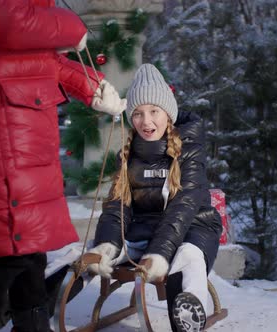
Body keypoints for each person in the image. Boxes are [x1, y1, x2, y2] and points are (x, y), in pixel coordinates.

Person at [0, 1, 125, 331]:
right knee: (9, 250)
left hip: (19, 119)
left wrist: (90, 84)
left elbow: (40, 59)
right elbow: (11, 23)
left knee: (29, 249)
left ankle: (33, 323)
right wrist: (72, 27)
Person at [86, 64, 223, 332]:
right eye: (137, 113)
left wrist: (159, 254)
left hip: (194, 224)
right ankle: (44, 297)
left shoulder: (189, 150)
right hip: (146, 227)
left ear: (168, 114)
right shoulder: (127, 155)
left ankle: (190, 310)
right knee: (102, 247)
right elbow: (117, 205)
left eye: (154, 111)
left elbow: (183, 206)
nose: (146, 122)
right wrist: (108, 244)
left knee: (188, 256)